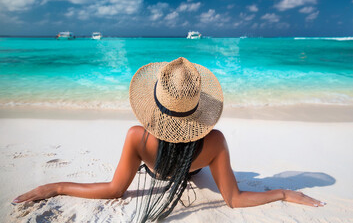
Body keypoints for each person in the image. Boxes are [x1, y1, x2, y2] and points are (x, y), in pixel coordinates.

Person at [13, 57, 325, 222]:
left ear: (157, 101)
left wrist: (55, 187)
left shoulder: (137, 136)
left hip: (155, 163)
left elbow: (114, 190)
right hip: (193, 164)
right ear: (197, 107)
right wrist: (282, 193)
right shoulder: (214, 140)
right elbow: (234, 200)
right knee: (211, 171)